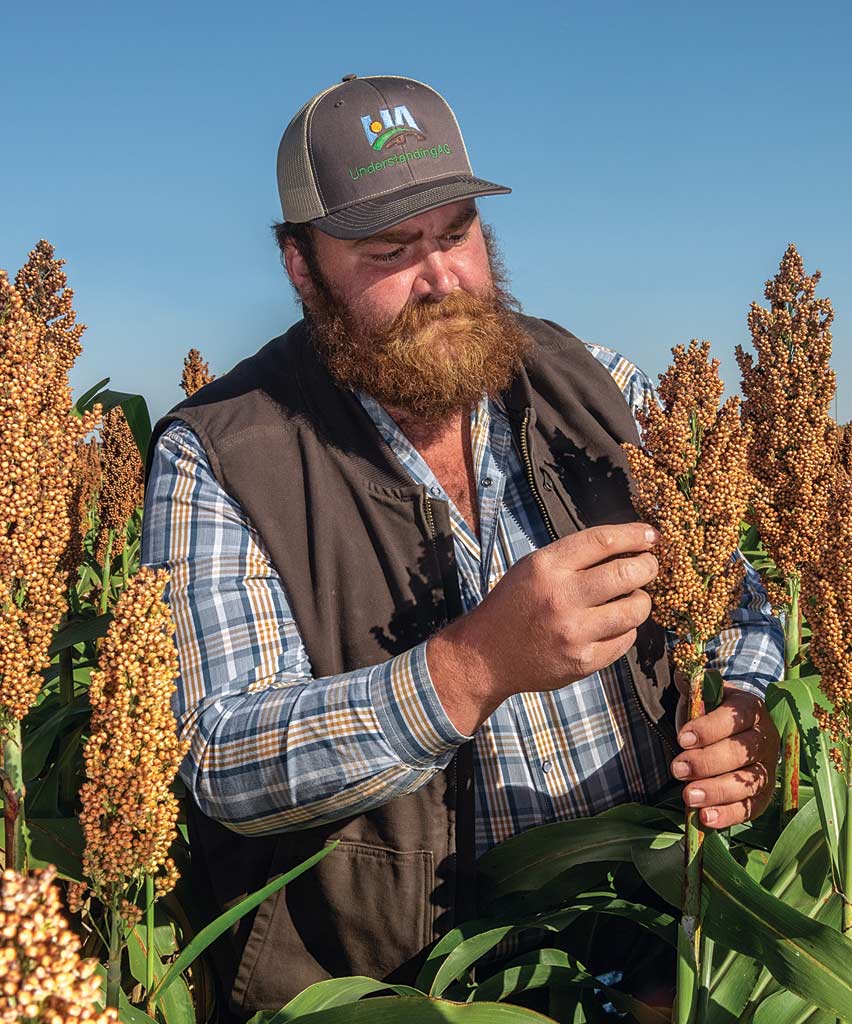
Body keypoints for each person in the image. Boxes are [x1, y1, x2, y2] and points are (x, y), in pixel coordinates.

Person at [140, 74, 785, 1019]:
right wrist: (469, 668)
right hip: (413, 984)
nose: (442, 278)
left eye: (456, 234)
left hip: (653, 952)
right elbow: (220, 755)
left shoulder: (598, 384)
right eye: (389, 249)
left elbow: (738, 600)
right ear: (300, 264)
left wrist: (745, 708)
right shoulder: (221, 453)